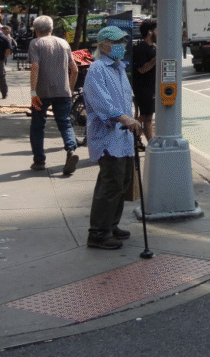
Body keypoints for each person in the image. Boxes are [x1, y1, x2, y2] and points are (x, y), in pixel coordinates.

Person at [83, 26, 140, 250]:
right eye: (116, 42)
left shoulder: (119, 67)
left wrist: (130, 118)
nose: (121, 46)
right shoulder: (98, 69)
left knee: (122, 182)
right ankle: (98, 232)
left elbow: (124, 99)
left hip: (122, 135)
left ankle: (110, 225)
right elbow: (101, 102)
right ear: (103, 45)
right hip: (108, 136)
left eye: (123, 42)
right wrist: (124, 118)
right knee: (110, 183)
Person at [28, 15, 80, 174]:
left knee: (37, 126)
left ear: (36, 30)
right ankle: (71, 150)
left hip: (41, 92)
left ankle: (39, 160)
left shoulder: (35, 43)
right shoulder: (64, 43)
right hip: (63, 91)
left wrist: (33, 91)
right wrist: (70, 89)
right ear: (51, 29)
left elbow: (35, 67)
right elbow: (74, 69)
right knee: (65, 122)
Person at [131, 19, 157, 143]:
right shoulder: (141, 48)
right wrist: (156, 59)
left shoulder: (153, 48)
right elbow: (142, 69)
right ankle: (129, 131)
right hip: (143, 88)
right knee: (145, 116)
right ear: (150, 32)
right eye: (157, 30)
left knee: (148, 117)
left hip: (151, 87)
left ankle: (141, 141)